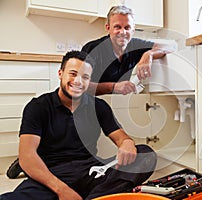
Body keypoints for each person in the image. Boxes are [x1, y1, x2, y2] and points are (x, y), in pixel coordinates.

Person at [1, 51, 157, 200]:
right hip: (51, 174)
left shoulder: (99, 106)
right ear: (60, 73)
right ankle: (100, 196)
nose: (78, 81)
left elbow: (121, 137)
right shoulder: (38, 107)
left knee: (146, 155)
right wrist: (62, 190)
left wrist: (127, 143)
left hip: (91, 171)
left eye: (85, 77)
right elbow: (27, 157)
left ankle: (94, 197)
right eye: (73, 74)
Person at [81, 5, 172, 95]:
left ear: (133, 30)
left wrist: (149, 54)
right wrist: (113, 87)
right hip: (92, 104)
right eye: (117, 27)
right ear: (108, 28)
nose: (123, 32)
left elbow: (169, 47)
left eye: (127, 27)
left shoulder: (135, 45)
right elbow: (80, 85)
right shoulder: (92, 48)